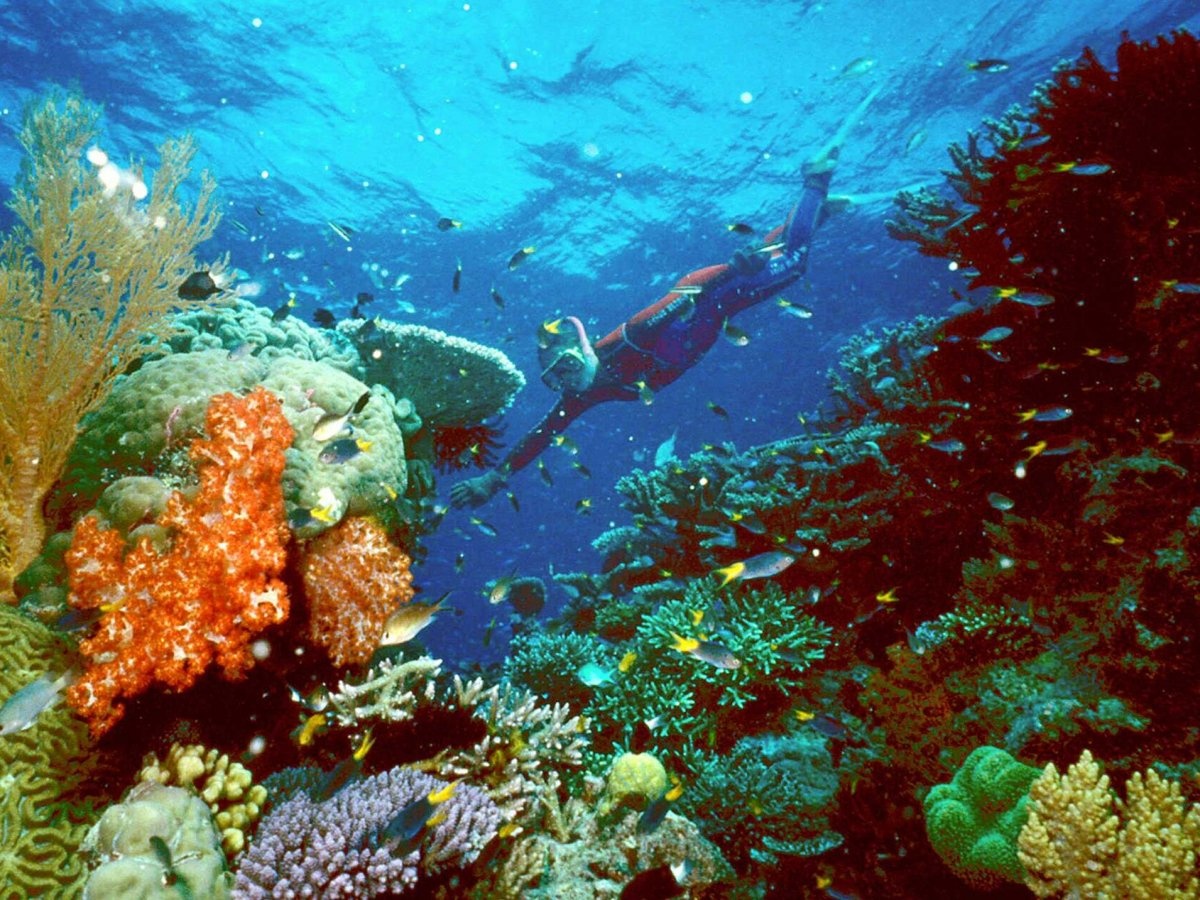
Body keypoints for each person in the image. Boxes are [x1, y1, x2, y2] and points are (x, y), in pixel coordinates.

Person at [450, 85, 881, 509]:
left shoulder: (633, 336)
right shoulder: (583, 395)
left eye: (565, 366)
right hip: (720, 311)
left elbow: (688, 289)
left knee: (794, 262)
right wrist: (494, 478)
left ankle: (815, 181)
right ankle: (816, 211)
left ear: (582, 347)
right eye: (554, 380)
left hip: (718, 295)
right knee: (784, 251)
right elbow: (540, 434)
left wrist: (735, 266)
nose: (564, 380)